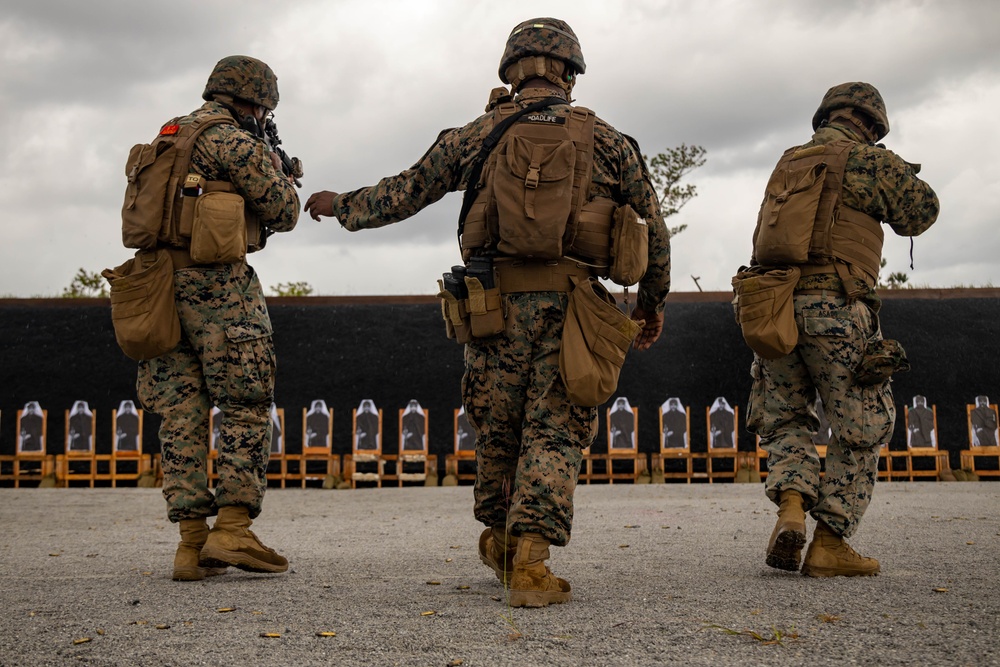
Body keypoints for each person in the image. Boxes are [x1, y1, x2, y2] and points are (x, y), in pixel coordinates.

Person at [305, 18, 670, 607]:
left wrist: (340, 205)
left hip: (490, 305)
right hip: (574, 307)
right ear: (571, 73)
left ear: (510, 70)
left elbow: (406, 192)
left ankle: (499, 537)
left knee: (499, 424)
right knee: (556, 426)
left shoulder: (477, 134)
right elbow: (653, 232)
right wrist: (651, 305)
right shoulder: (610, 140)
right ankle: (530, 561)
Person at [743, 82, 939, 577]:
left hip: (775, 305)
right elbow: (922, 212)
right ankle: (830, 541)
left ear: (825, 115)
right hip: (837, 307)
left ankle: (791, 508)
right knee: (861, 423)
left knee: (786, 417)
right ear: (872, 125)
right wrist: (898, 168)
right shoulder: (869, 160)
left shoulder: (789, 160)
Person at [132, 55, 300, 581]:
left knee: (181, 411)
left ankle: (190, 545)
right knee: (246, 403)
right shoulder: (233, 141)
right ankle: (232, 528)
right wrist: (282, 174)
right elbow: (284, 211)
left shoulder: (167, 136)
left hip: (157, 284)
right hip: (218, 286)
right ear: (254, 102)